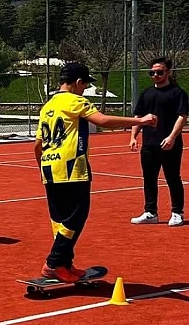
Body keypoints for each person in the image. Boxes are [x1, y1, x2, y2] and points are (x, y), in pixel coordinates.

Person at [34, 62, 158, 282]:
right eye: (84, 85)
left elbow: (37, 144)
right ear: (78, 82)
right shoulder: (75, 101)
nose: (84, 90)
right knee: (77, 216)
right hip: (72, 167)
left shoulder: (48, 105)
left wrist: (43, 167)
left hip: (49, 167)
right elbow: (102, 121)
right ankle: (53, 263)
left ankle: (65, 265)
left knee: (60, 219)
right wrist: (140, 120)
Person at [129, 57, 188, 227]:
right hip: (149, 145)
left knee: (172, 178)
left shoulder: (178, 93)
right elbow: (138, 117)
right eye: (152, 72)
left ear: (168, 72)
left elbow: (181, 117)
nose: (155, 75)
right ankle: (150, 212)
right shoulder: (146, 93)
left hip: (170, 145)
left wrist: (171, 137)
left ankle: (177, 213)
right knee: (149, 179)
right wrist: (133, 137)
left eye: (159, 72)